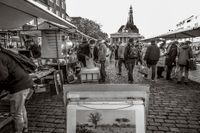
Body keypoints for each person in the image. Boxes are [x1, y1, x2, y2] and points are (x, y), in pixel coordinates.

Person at [0, 46, 33, 133]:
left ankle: (19, 131)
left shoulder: (0, 56)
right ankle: (25, 128)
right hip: (25, 83)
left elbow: (3, 77)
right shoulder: (5, 53)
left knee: (16, 113)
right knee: (21, 108)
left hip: (19, 86)